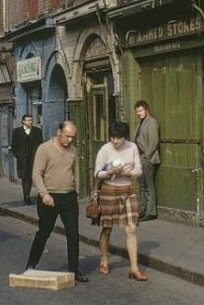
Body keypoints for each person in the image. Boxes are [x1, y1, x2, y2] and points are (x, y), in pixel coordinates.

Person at [25, 121, 88, 283]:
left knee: (73, 234)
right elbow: (36, 174)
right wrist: (44, 194)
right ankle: (31, 264)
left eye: (72, 137)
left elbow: (76, 172)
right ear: (59, 132)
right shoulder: (44, 149)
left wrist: (76, 191)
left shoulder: (73, 150)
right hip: (49, 198)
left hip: (68, 197)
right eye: (67, 136)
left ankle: (74, 270)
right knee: (44, 232)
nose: (70, 140)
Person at [94, 121, 147, 281]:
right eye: (112, 138)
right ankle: (104, 259)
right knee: (107, 228)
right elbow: (97, 173)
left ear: (124, 137)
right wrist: (109, 172)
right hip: (109, 190)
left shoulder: (132, 147)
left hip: (128, 189)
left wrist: (129, 172)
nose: (115, 141)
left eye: (118, 138)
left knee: (131, 229)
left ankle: (134, 268)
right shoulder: (104, 150)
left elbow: (139, 170)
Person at [134, 100, 160, 220]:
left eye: (140, 110)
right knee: (142, 185)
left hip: (147, 158)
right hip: (139, 158)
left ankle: (151, 212)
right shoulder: (141, 123)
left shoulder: (151, 122)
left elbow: (154, 141)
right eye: (137, 111)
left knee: (148, 185)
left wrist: (147, 156)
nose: (138, 113)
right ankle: (143, 210)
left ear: (146, 110)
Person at [11, 114, 44, 205]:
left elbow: (41, 144)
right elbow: (14, 146)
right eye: (28, 120)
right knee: (26, 179)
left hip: (35, 158)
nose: (30, 122)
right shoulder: (17, 132)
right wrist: (19, 156)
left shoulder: (37, 131)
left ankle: (42, 196)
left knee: (38, 177)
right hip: (24, 160)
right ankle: (27, 196)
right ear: (23, 121)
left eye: (31, 120)